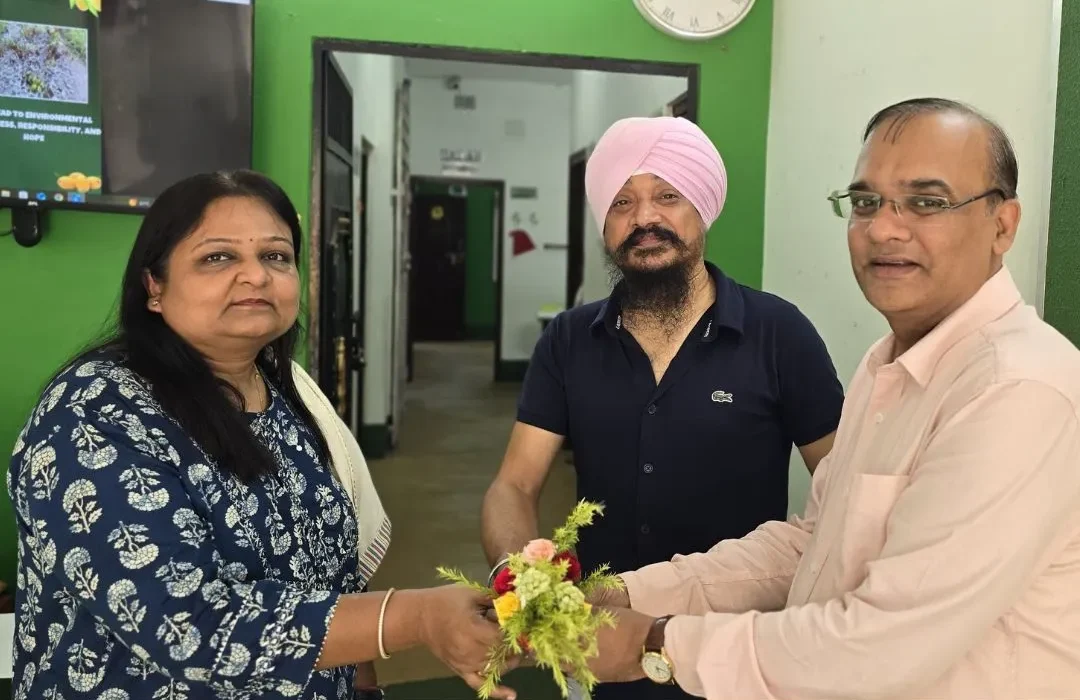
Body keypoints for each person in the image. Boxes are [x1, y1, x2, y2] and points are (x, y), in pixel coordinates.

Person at [582, 98, 1080, 699]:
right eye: (865, 202)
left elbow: (884, 645)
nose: (884, 228)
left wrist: (655, 643)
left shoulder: (1016, 390)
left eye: (927, 202)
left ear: (1002, 225)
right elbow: (814, 546)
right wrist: (623, 593)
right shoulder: (886, 365)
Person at [6, 171, 515, 700]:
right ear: (154, 286)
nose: (256, 276)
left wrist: (363, 685)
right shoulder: (94, 415)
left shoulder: (283, 388)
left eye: (275, 256)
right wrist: (415, 617)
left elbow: (333, 575)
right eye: (217, 257)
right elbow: (188, 629)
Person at [480, 116, 845, 700]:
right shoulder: (568, 340)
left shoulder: (779, 334)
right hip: (600, 647)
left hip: (734, 651)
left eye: (667, 196)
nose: (644, 218)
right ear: (605, 224)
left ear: (702, 208)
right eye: (622, 202)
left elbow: (845, 498)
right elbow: (515, 485)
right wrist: (519, 576)